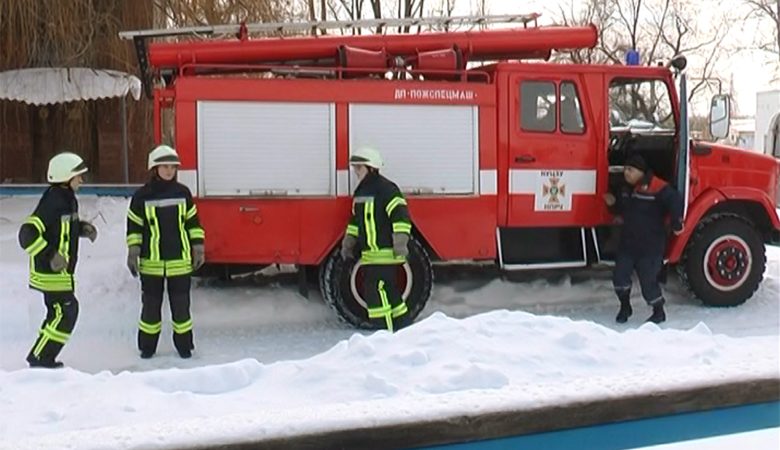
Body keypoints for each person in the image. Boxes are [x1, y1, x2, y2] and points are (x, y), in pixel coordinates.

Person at [18, 152, 97, 368]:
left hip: (61, 273)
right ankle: (41, 357)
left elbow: (60, 229)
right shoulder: (53, 201)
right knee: (67, 311)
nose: (81, 180)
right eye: (78, 176)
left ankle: (43, 356)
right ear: (66, 177)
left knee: (60, 313)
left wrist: (81, 229)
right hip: (50, 274)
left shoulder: (66, 199)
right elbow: (27, 234)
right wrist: (50, 255)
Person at [126, 145, 205, 359]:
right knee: (150, 309)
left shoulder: (183, 193)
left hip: (179, 261)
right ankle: (147, 348)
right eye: (165, 166)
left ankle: (184, 347)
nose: (169, 171)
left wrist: (198, 246)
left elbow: (193, 223)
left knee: (181, 309)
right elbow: (134, 227)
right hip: (151, 263)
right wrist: (133, 251)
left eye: (173, 167)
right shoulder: (141, 196)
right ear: (154, 168)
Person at [604, 154, 684, 324]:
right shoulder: (625, 189)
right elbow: (622, 210)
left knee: (649, 282)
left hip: (651, 246)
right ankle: (625, 307)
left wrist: (677, 222)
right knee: (620, 278)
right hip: (628, 244)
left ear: (641, 172)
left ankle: (658, 311)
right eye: (625, 169)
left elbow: (675, 200)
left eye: (630, 170)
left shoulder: (657, 187)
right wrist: (612, 204)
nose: (626, 173)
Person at [341, 147, 412, 332]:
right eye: (355, 168)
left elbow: (400, 216)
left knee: (376, 298)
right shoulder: (361, 192)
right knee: (391, 296)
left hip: (385, 254)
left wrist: (400, 243)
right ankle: (405, 332)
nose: (356, 172)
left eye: (359, 168)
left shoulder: (386, 189)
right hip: (371, 256)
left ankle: (384, 339)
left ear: (372, 167)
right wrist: (348, 242)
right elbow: (356, 221)